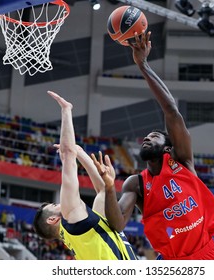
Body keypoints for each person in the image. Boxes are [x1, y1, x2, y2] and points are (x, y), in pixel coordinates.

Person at [92, 30, 214, 260]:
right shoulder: (135, 184)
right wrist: (108, 187)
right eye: (146, 136)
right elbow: (117, 225)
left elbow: (171, 112)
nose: (147, 138)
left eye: (154, 135)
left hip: (207, 254)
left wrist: (143, 65)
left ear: (168, 147)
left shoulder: (182, 161)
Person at [33, 91, 137, 260]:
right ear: (52, 219)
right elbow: (67, 155)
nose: (61, 202)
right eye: (54, 205)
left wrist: (81, 153)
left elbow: (104, 190)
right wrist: (66, 110)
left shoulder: (85, 229)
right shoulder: (72, 218)